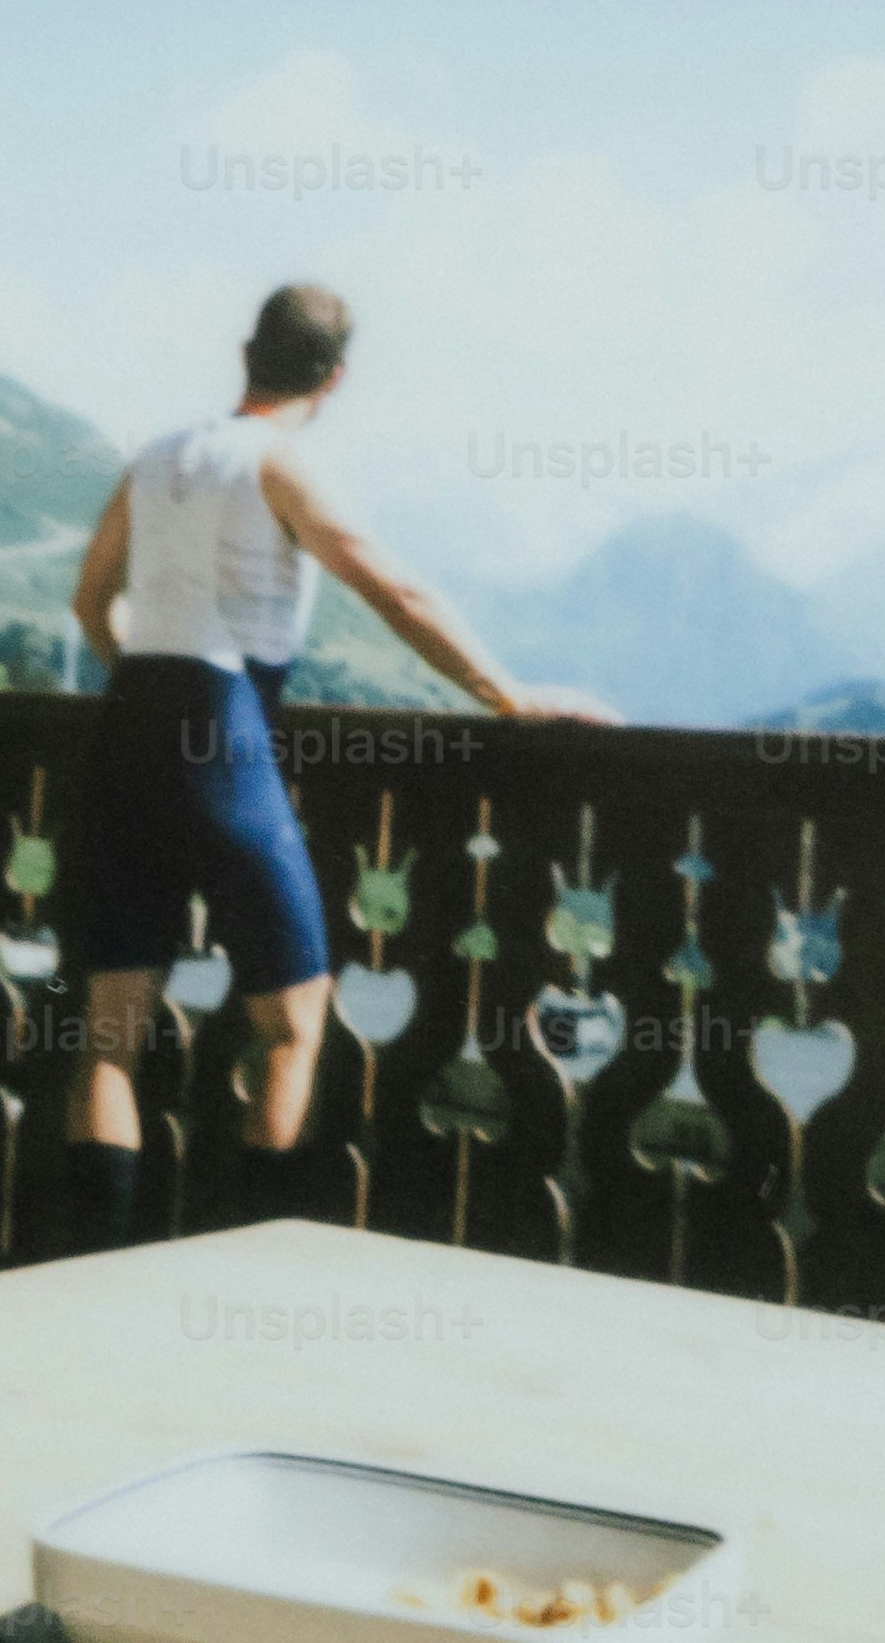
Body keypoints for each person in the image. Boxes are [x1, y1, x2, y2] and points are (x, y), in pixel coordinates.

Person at [61, 282, 608, 1242]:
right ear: (336, 378)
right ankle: (247, 1267)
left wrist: (141, 686)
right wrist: (509, 696)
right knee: (291, 1029)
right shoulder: (280, 464)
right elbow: (392, 589)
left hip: (128, 733)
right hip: (223, 739)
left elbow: (88, 599)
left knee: (109, 1039)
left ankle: (84, 1264)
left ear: (246, 353)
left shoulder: (155, 457)